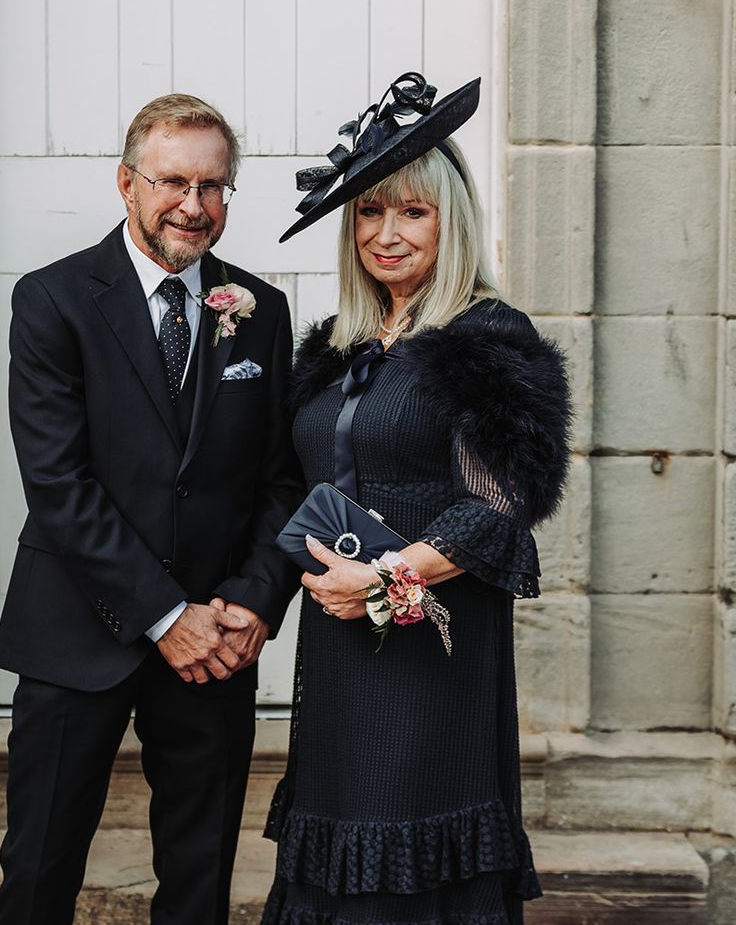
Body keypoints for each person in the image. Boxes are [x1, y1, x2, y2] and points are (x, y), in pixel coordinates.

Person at [261, 73, 572, 924]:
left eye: (413, 213)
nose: (386, 234)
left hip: (431, 641)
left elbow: (499, 500)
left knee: (408, 821)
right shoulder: (336, 346)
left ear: (451, 220)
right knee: (339, 816)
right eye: (369, 212)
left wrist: (388, 577)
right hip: (336, 642)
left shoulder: (484, 334)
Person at [0, 93, 303, 925]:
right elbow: (58, 484)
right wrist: (168, 616)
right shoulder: (53, 300)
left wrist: (256, 599)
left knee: (199, 884)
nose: (193, 207)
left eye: (214, 187)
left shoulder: (260, 313)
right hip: (76, 634)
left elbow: (281, 481)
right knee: (39, 872)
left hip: (215, 649)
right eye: (172, 182)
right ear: (126, 183)